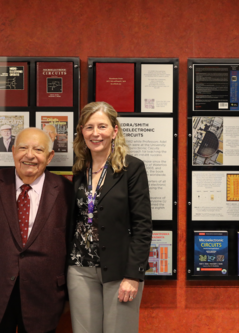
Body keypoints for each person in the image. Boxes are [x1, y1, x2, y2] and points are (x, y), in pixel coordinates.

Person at [0, 128, 73, 333]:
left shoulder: (66, 190)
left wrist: (70, 296)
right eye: (23, 148)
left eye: (38, 149)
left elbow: (73, 245)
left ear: (49, 156)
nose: (29, 155)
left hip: (45, 299)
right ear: (12, 151)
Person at [67, 101, 152, 333]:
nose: (96, 133)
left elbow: (142, 226)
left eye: (102, 127)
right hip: (79, 268)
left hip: (119, 269)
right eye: (89, 127)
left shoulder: (131, 168)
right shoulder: (78, 170)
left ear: (115, 131)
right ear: (82, 132)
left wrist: (133, 275)